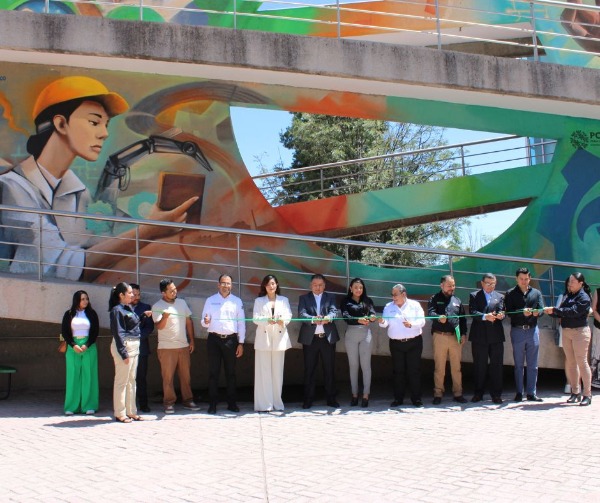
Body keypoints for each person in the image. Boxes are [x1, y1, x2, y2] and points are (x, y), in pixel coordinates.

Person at [0, 76, 198, 281]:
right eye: (94, 122)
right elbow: (63, 267)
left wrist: (150, 224)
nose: (104, 133)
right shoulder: (13, 189)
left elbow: (96, 243)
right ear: (61, 123)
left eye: (106, 125)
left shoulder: (77, 191)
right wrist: (148, 231)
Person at [152, 278, 200, 414]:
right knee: (168, 378)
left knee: (186, 376)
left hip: (183, 346)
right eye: (171, 291)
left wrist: (192, 340)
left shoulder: (182, 303)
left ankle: (188, 400)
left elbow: (189, 322)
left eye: (175, 289)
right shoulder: (157, 306)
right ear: (163, 293)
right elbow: (159, 326)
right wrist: (165, 317)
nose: (175, 292)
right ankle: (169, 403)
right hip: (166, 348)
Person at [544, 273, 593, 406]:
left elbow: (573, 311)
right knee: (571, 362)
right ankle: (575, 392)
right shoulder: (569, 295)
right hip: (566, 332)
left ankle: (587, 394)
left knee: (582, 362)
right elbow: (561, 311)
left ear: (580, 283)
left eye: (572, 282)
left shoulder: (584, 297)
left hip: (580, 332)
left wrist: (556, 310)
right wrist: (551, 312)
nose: (569, 284)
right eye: (569, 281)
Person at [201, 274, 246, 414]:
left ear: (231, 285)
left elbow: (241, 323)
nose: (226, 286)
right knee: (213, 373)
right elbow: (203, 321)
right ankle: (212, 404)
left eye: (228, 283)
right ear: (218, 284)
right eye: (223, 283)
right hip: (214, 340)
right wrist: (206, 321)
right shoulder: (210, 300)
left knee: (231, 373)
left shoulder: (237, 301)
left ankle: (232, 403)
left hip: (231, 341)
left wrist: (241, 343)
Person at [379, 283, 426, 408]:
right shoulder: (389, 306)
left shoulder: (415, 305)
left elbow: (422, 321)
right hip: (396, 344)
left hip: (414, 342)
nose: (393, 297)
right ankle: (398, 399)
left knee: (414, 370)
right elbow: (384, 323)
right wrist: (382, 321)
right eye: (392, 295)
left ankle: (416, 399)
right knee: (398, 371)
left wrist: (411, 324)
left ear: (403, 294)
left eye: (395, 294)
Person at [298, 273, 340, 409]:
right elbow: (301, 314)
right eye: (315, 285)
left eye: (320, 285)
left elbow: (334, 311)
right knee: (309, 370)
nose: (318, 287)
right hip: (311, 340)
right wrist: (312, 319)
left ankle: (331, 399)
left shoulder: (330, 297)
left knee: (329, 369)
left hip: (327, 339)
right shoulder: (304, 298)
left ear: (324, 285)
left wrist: (328, 317)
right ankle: (308, 399)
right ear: (311, 285)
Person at [252, 274, 292, 412]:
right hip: (264, 338)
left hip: (279, 338)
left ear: (277, 285)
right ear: (264, 286)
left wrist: (282, 321)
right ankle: (265, 404)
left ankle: (277, 403)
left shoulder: (284, 300)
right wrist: (266, 320)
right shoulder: (259, 301)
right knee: (263, 372)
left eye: (273, 283)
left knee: (277, 372)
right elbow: (255, 318)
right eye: (268, 284)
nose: (271, 286)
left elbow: (288, 315)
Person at [504, 267, 545, 402]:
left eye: (526, 279)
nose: (524, 281)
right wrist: (522, 312)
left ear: (530, 278)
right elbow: (509, 312)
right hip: (517, 330)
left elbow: (541, 309)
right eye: (521, 279)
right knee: (518, 364)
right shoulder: (510, 293)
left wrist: (537, 312)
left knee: (533, 364)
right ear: (516, 279)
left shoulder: (536, 293)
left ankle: (531, 393)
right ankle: (519, 392)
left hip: (533, 330)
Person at [427, 275, 468, 405]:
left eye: (453, 285)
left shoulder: (457, 300)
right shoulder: (434, 298)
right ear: (442, 285)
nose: (452, 288)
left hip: (455, 337)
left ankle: (458, 393)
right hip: (440, 336)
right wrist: (439, 317)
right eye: (449, 285)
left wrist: (463, 334)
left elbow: (462, 319)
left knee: (456, 367)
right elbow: (430, 313)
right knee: (440, 368)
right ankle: (438, 394)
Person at [468, 273, 506, 404]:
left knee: (497, 366)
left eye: (493, 284)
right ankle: (478, 393)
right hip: (479, 337)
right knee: (479, 366)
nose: (490, 286)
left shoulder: (500, 296)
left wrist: (501, 315)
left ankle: (496, 394)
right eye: (488, 283)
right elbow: (473, 312)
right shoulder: (474, 295)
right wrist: (485, 316)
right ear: (482, 283)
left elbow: (502, 311)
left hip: (496, 337)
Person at [61, 290, 100, 415]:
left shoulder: (92, 313)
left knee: (89, 374)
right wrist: (73, 345)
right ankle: (71, 406)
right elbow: (65, 332)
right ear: (76, 300)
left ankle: (89, 405)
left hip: (88, 346)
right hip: (73, 346)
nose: (85, 301)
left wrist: (87, 344)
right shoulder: (69, 314)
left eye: (87, 299)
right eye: (82, 299)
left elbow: (95, 331)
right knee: (73, 375)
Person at [109, 282, 142, 423]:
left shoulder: (128, 308)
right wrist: (123, 353)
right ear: (121, 295)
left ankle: (131, 411)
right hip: (125, 346)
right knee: (122, 381)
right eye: (129, 292)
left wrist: (143, 316)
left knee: (131, 380)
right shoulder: (117, 310)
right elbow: (118, 333)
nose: (132, 295)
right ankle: (120, 413)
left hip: (134, 344)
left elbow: (132, 325)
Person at [340, 278, 376, 408]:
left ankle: (366, 395)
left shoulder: (368, 300)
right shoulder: (346, 301)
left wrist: (372, 317)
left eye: (360, 287)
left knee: (366, 365)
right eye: (355, 287)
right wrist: (358, 320)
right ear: (351, 288)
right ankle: (354, 395)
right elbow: (345, 316)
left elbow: (372, 313)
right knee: (353, 365)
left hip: (365, 334)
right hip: (351, 334)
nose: (358, 290)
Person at [131, 283, 154, 413]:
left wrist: (138, 337)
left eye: (138, 294)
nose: (137, 297)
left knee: (141, 377)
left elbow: (149, 327)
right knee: (128, 378)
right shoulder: (122, 308)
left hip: (141, 347)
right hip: (126, 348)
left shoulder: (145, 307)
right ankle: (128, 404)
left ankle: (143, 404)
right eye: (134, 294)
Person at [592, 287, 600, 389]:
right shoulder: (598, 291)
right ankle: (595, 382)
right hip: (598, 327)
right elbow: (593, 309)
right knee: (596, 355)